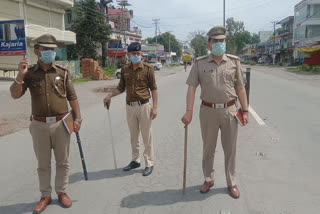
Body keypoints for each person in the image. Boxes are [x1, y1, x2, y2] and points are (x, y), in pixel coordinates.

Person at [10, 34, 82, 213]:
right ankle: (45, 195)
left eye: (52, 49)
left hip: (61, 123)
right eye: (45, 49)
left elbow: (72, 97)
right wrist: (20, 75)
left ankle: (61, 192)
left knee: (62, 161)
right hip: (39, 125)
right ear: (36, 51)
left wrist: (78, 118)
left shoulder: (62, 72)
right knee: (43, 163)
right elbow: (14, 94)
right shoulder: (30, 73)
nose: (50, 52)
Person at [181, 26, 249, 199]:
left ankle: (231, 182)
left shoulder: (234, 62)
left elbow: (241, 87)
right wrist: (188, 111)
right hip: (208, 111)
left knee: (230, 149)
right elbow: (191, 88)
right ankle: (208, 179)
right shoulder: (199, 62)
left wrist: (245, 110)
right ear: (209, 44)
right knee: (208, 148)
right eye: (216, 41)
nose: (220, 44)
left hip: (230, 110)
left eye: (222, 41)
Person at [103, 42, 158, 176]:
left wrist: (155, 107)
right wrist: (110, 95)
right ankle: (135, 160)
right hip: (130, 106)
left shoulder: (148, 68)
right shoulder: (125, 69)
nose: (137, 56)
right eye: (134, 54)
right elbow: (121, 87)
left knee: (147, 136)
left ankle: (149, 162)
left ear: (141, 54)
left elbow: (154, 89)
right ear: (129, 55)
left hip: (144, 106)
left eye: (138, 54)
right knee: (133, 136)